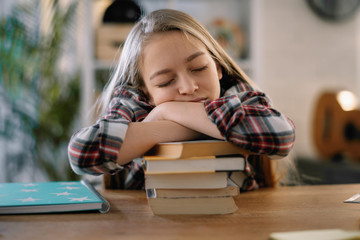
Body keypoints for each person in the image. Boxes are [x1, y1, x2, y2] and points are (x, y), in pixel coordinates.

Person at [68, 9, 295, 191]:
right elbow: (81, 154)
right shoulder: (135, 102)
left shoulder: (234, 93)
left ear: (217, 67)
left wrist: (166, 114)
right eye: (166, 81)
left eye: (199, 68)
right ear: (145, 91)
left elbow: (281, 134)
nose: (188, 87)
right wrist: (188, 124)